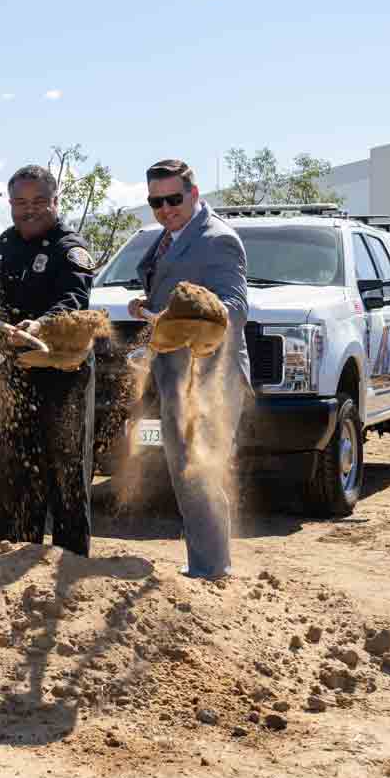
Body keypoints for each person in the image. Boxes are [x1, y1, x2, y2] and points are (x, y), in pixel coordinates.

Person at [128, 158, 251, 580]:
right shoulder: (169, 237)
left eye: (173, 199)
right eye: (156, 201)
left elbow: (235, 308)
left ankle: (212, 570)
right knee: (185, 467)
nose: (165, 209)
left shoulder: (218, 240)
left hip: (210, 380)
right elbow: (169, 294)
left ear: (194, 195)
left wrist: (189, 317)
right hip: (174, 375)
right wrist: (147, 309)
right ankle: (206, 565)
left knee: (200, 467)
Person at [0, 165, 97, 556]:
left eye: (37, 202)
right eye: (19, 202)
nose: (27, 210)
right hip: (16, 373)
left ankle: (69, 564)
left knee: (65, 470)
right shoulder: (4, 243)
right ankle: (10, 554)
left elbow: (74, 300)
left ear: (54, 201)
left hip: (61, 373)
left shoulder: (70, 248)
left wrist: (43, 324)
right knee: (13, 467)